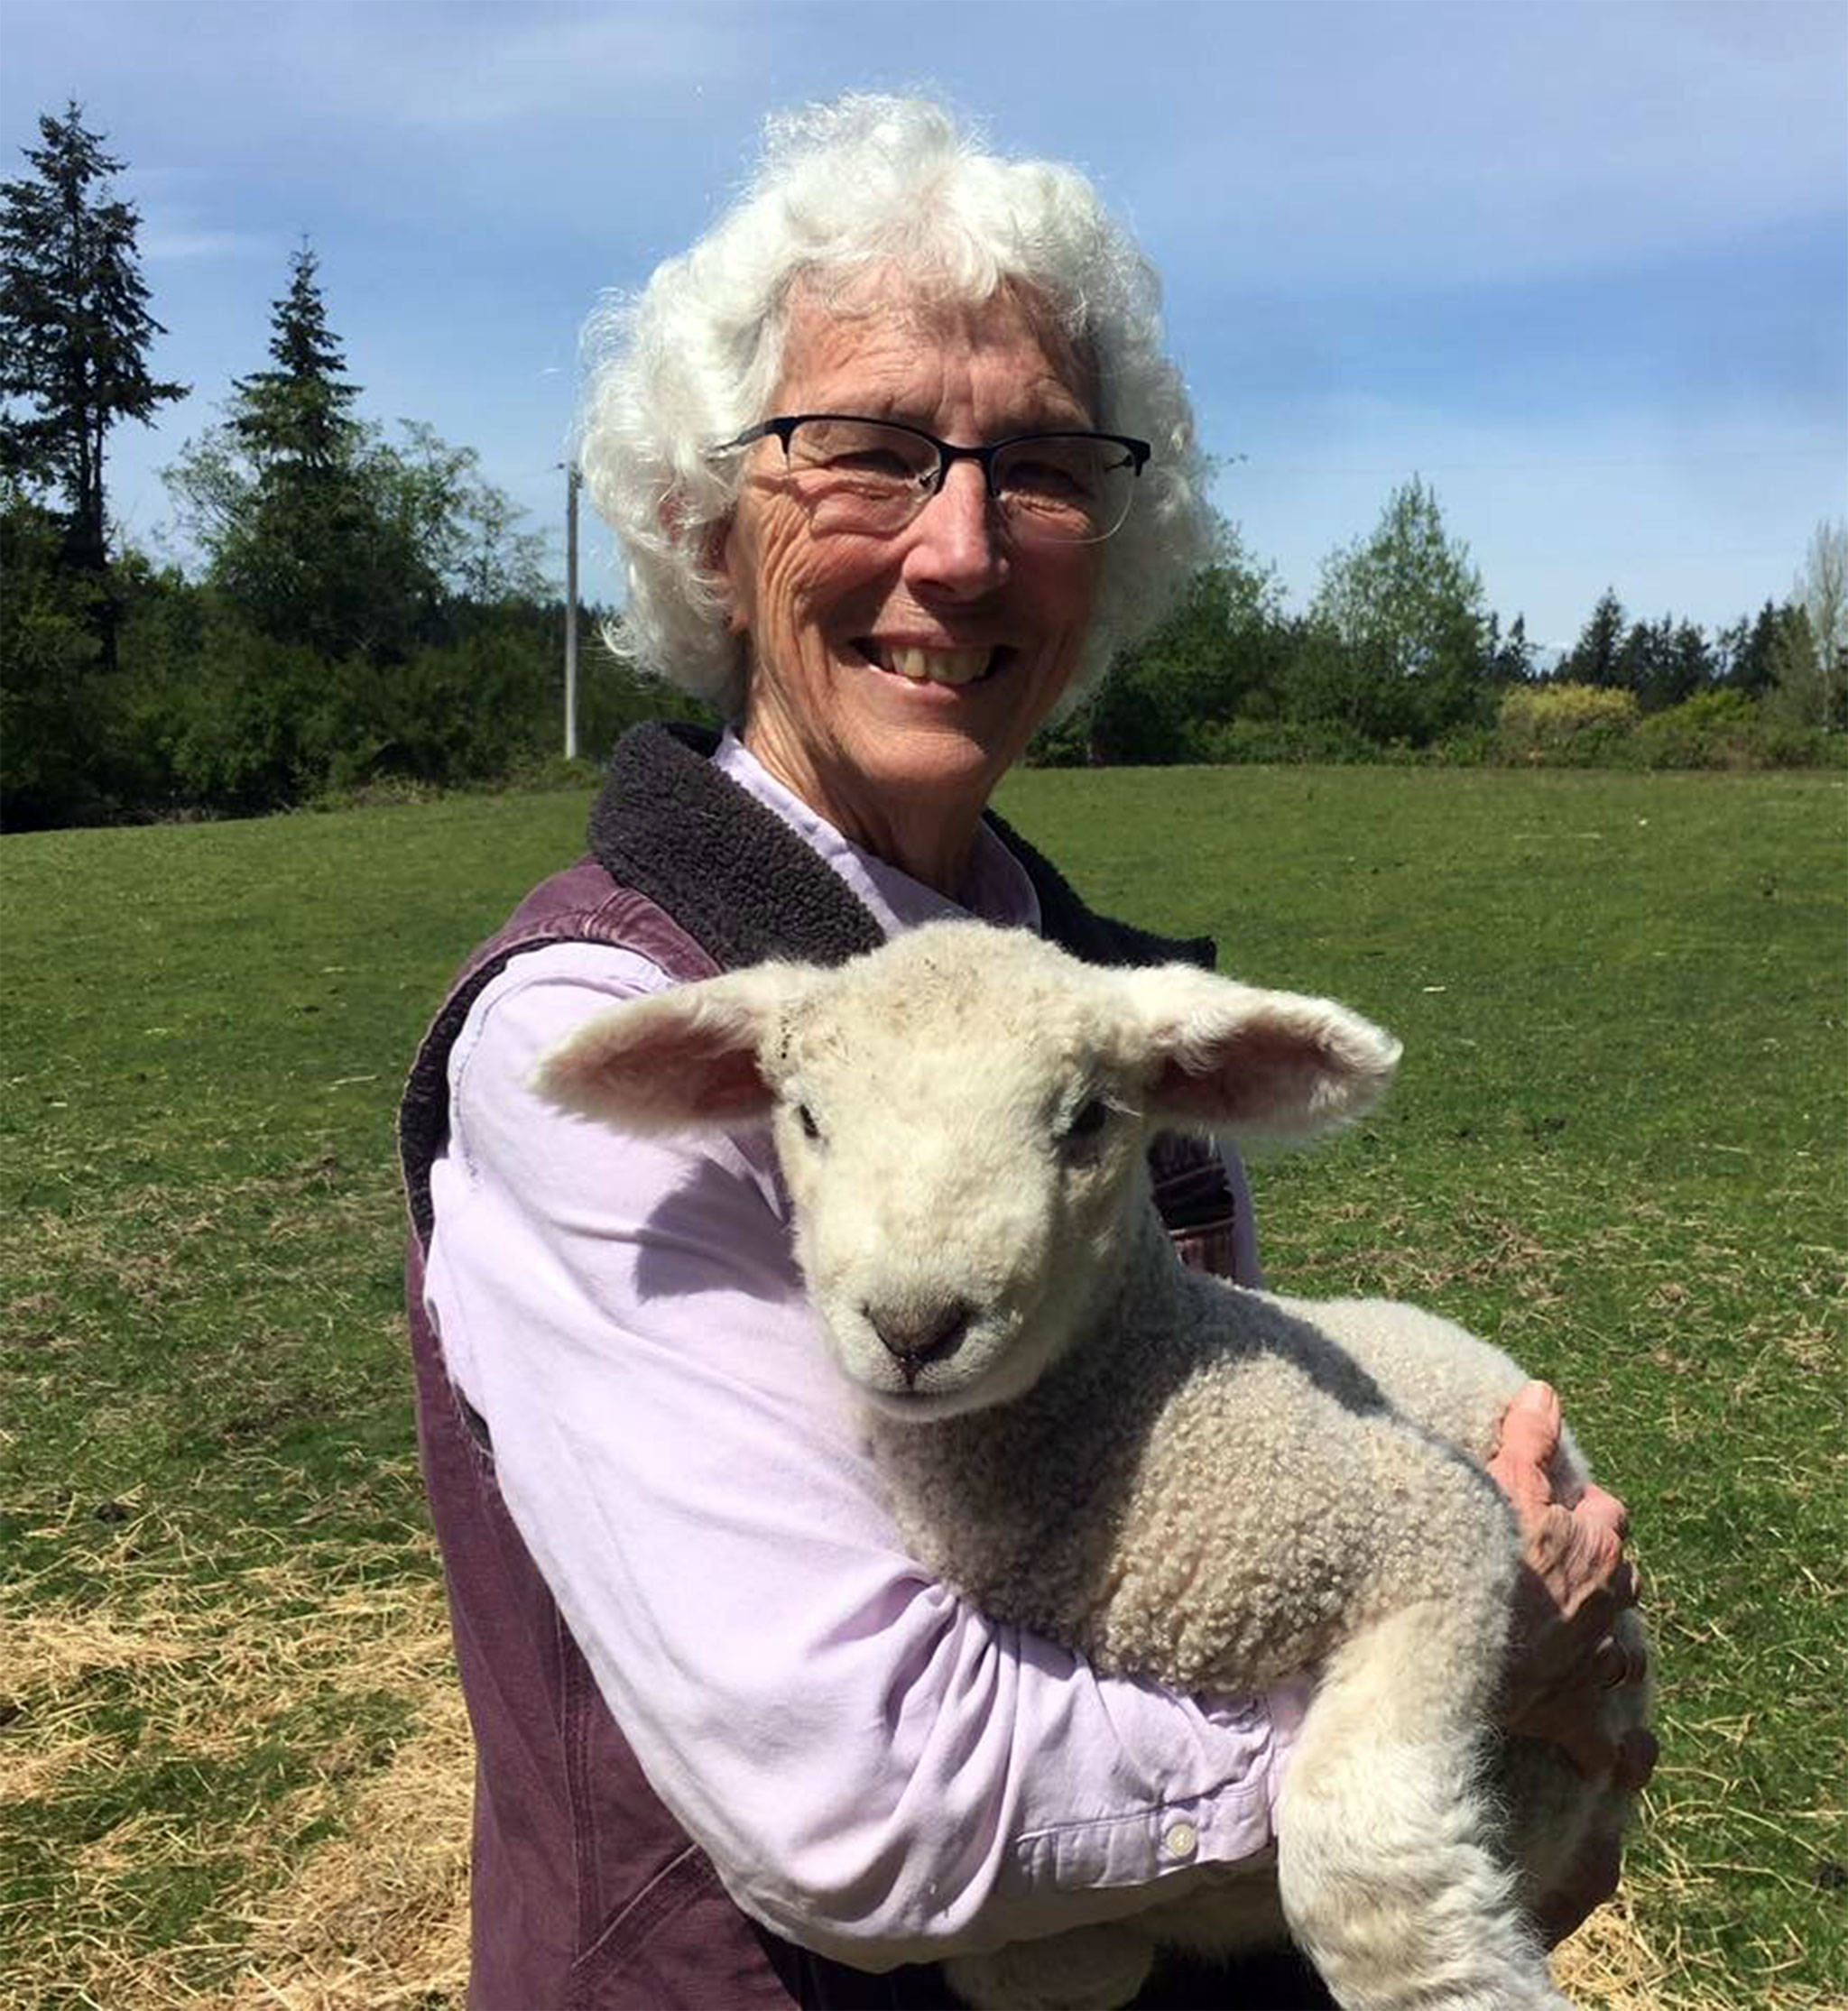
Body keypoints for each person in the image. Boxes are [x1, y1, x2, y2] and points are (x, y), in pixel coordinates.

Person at [398, 95, 1654, 2011]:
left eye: (1044, 469)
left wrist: (1503, 1758)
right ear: (704, 524)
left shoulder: (1095, 1011)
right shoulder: (588, 1029)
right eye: (863, 452)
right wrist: (1437, 1708)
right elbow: (862, 1800)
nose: (963, 549)